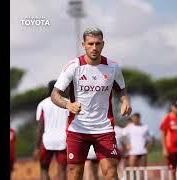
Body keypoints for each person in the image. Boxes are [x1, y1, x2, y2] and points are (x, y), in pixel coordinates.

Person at [51, 27, 132, 180]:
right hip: (78, 129)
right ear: (83, 44)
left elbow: (121, 89)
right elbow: (55, 94)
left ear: (103, 44)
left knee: (110, 172)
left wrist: (125, 100)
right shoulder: (74, 66)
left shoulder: (113, 67)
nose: (94, 47)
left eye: (97, 43)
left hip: (104, 128)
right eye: (90, 44)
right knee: (75, 173)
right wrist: (68, 105)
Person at [33, 80, 69, 180]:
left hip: (47, 141)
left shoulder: (43, 104)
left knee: (44, 168)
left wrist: (36, 147)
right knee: (62, 169)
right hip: (63, 141)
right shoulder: (67, 103)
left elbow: (40, 127)